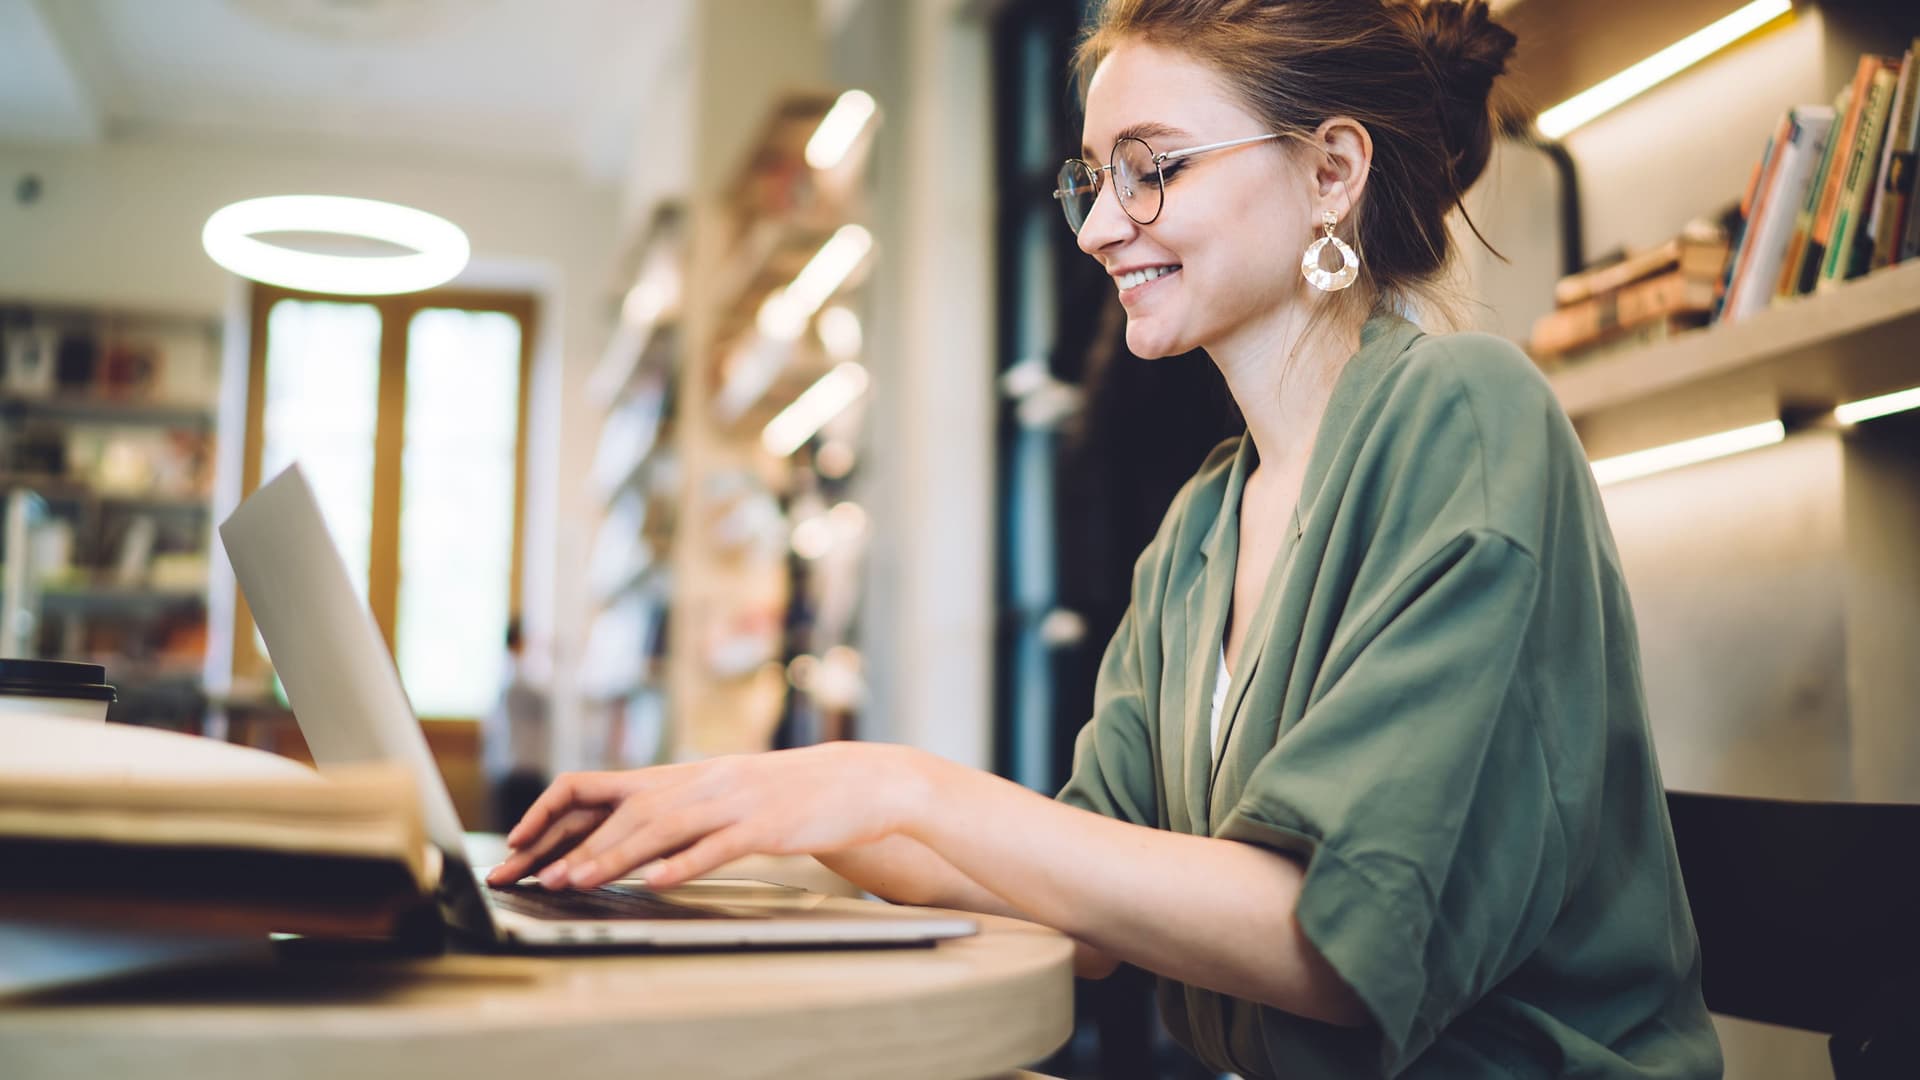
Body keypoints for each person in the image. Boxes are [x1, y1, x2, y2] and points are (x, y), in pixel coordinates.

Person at [489, 1, 1723, 1075]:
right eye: (1096, 177)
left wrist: (895, 783)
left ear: (1332, 172)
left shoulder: (1468, 412)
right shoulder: (1199, 529)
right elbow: (1087, 902)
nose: (1098, 228)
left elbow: (1332, 945)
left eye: (1156, 168)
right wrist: (759, 812)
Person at [482, 616, 551, 833]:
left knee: (509, 828)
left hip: (508, 765)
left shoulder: (502, 675)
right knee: (520, 829)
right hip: (521, 767)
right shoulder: (519, 676)